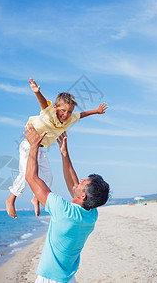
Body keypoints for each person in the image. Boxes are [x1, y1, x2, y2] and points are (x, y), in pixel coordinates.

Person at [6, 78, 108, 218]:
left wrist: (96, 111)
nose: (66, 115)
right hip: (29, 145)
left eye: (69, 111)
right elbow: (43, 103)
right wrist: (37, 92)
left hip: (41, 149)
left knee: (48, 177)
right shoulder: (50, 113)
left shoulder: (70, 117)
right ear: (55, 108)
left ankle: (36, 198)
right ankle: (11, 199)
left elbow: (81, 115)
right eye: (63, 110)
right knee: (25, 174)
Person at [24, 124, 110, 283]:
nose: (81, 180)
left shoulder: (63, 211)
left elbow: (31, 177)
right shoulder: (91, 214)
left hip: (49, 279)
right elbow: (73, 185)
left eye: (84, 182)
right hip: (68, 278)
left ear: (83, 195)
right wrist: (64, 153)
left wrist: (34, 146)